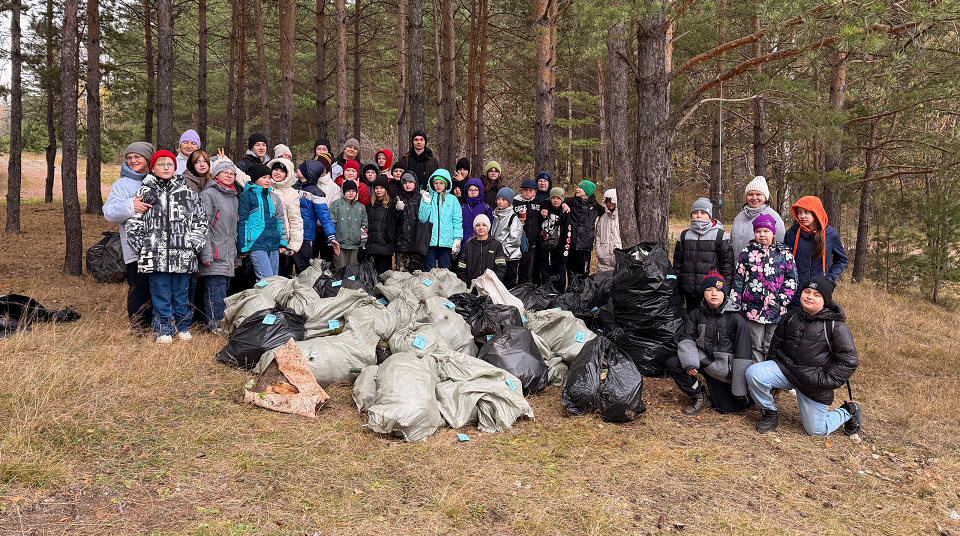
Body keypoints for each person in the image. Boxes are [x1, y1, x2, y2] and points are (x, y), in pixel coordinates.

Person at [745, 277, 862, 437]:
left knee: (816, 431)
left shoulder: (836, 327)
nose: (809, 297)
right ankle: (769, 413)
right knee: (754, 373)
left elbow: (849, 361)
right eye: (807, 292)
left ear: (825, 300)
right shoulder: (790, 317)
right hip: (786, 370)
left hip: (813, 383)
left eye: (816, 295)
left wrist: (823, 381)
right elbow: (776, 347)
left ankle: (849, 411)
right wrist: (773, 380)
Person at [126, 150, 208, 343]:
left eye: (169, 164)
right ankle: (163, 328)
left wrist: (193, 244)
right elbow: (134, 223)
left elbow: (200, 221)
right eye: (161, 164)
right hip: (155, 255)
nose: (165, 167)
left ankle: (182, 326)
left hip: (183, 254)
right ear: (153, 168)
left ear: (175, 168)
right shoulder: (145, 193)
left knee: (181, 292)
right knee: (160, 292)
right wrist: (143, 247)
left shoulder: (188, 193)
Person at [665, 271, 753, 415]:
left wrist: (739, 389)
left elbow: (743, 354)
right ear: (703, 293)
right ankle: (700, 395)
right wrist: (690, 362)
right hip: (703, 360)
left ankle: (750, 396)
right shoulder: (695, 314)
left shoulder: (736, 319)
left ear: (724, 293)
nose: (713, 294)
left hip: (722, 371)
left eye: (718, 290)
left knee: (726, 409)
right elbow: (687, 338)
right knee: (673, 363)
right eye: (708, 290)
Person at [104, 141, 157, 332]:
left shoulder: (160, 179)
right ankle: (139, 326)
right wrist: (130, 206)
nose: (133, 161)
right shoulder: (122, 184)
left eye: (137, 157)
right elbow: (109, 212)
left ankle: (158, 323)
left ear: (148, 159)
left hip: (159, 246)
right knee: (139, 286)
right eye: (129, 158)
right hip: (135, 248)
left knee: (157, 286)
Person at [732, 214, 798, 364]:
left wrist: (782, 300)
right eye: (758, 231)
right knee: (755, 344)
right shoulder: (746, 253)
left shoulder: (784, 253)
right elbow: (738, 279)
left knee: (771, 344)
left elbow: (792, 279)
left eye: (766, 231)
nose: (762, 235)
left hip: (776, 308)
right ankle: (756, 374)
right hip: (752, 308)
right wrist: (736, 302)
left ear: (773, 232)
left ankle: (770, 374)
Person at [784, 196, 849, 310]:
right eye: (799, 212)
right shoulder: (792, 233)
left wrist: (828, 279)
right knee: (793, 320)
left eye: (806, 212)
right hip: (794, 292)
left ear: (816, 212)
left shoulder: (830, 235)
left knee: (815, 321)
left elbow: (842, 260)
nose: (802, 216)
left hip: (818, 292)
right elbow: (783, 260)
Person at [199, 158, 240, 334]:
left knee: (223, 289)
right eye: (225, 172)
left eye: (232, 173)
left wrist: (236, 256)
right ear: (216, 175)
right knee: (215, 291)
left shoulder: (233, 197)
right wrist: (206, 253)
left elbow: (234, 230)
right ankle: (214, 326)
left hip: (228, 252)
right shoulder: (208, 195)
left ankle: (220, 324)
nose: (229, 176)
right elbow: (203, 226)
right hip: (214, 251)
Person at [673, 197, 735, 312]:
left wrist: (724, 289)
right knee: (691, 319)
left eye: (703, 212)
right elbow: (677, 264)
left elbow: (727, 266)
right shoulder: (684, 235)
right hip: (689, 292)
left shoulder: (720, 236)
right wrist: (676, 285)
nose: (698, 216)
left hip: (711, 291)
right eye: (695, 212)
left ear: (709, 216)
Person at [237, 163, 290, 280]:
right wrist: (242, 246)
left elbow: (280, 220)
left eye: (269, 177)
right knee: (266, 278)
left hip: (273, 242)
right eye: (264, 177)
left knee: (274, 279)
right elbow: (242, 222)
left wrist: (282, 241)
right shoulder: (246, 196)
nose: (267, 180)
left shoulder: (274, 197)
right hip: (256, 243)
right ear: (255, 179)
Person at [292, 159, 338, 271]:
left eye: (300, 168)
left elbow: (325, 217)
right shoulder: (292, 188)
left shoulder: (316, 193)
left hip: (306, 236)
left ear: (307, 173)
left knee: (303, 269)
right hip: (290, 234)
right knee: (285, 269)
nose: (297, 169)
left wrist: (331, 236)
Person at [730, 176, 786, 264]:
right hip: (738, 269)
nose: (754, 197)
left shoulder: (774, 218)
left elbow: (779, 247)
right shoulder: (739, 217)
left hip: (761, 269)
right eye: (750, 194)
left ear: (765, 197)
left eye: (758, 194)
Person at [418, 169, 463, 270]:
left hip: (446, 241)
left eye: (441, 183)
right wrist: (426, 203)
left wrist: (457, 239)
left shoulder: (453, 199)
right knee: (429, 270)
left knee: (445, 270)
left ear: (446, 184)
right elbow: (422, 219)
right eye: (436, 183)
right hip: (429, 240)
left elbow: (457, 221)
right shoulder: (427, 198)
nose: (438, 185)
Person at [267, 157, 306, 277]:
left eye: (282, 171)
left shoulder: (291, 194)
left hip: (281, 243)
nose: (278, 173)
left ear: (287, 174)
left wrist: (293, 245)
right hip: (261, 240)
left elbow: (295, 220)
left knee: (279, 276)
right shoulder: (262, 186)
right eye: (275, 170)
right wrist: (223, 161)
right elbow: (243, 178)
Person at [303, 155, 341, 262]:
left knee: (327, 260)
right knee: (308, 260)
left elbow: (334, 210)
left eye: (321, 165)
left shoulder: (334, 188)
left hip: (325, 230)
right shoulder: (307, 183)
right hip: (308, 228)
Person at [564, 180, 603, 278]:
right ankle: (571, 288)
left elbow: (609, 211)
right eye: (577, 187)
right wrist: (563, 204)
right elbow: (554, 200)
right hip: (572, 245)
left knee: (584, 274)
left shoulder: (596, 206)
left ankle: (583, 288)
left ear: (587, 191)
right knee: (571, 274)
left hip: (586, 246)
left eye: (580, 187)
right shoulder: (571, 201)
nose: (577, 189)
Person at [539, 187, 573, 293]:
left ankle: (559, 296)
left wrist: (565, 254)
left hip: (560, 250)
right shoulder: (545, 210)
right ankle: (546, 295)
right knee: (545, 274)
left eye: (558, 198)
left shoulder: (565, 212)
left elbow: (568, 234)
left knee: (559, 275)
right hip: (545, 249)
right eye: (553, 198)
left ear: (562, 200)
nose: (556, 200)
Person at [457, 214, 507, 284]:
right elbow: (461, 268)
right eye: (478, 225)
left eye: (484, 225)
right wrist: (466, 285)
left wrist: (494, 284)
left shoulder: (496, 246)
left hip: (491, 287)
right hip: (471, 287)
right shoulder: (468, 246)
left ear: (488, 227)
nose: (481, 228)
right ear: (474, 227)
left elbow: (501, 268)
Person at [328, 181, 368, 268]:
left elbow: (364, 227)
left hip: (355, 246)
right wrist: (331, 242)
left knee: (352, 272)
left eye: (353, 191)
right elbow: (331, 224)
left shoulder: (361, 207)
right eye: (348, 191)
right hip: (339, 245)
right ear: (343, 192)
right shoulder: (336, 205)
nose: (351, 193)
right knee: (340, 271)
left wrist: (362, 246)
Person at [491, 187, 524, 287]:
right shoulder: (496, 215)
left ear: (509, 202)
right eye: (498, 199)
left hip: (510, 257)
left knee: (509, 283)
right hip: (497, 256)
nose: (500, 202)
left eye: (503, 200)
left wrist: (501, 252)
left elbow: (514, 240)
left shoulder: (513, 218)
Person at [394, 172, 425, 272]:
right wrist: (397, 211)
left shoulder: (421, 199)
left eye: (410, 182)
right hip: (401, 243)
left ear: (415, 183)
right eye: (405, 182)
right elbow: (394, 222)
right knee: (401, 275)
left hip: (417, 243)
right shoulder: (398, 198)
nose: (407, 185)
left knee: (417, 276)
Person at [366, 177, 399, 273]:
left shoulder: (391, 205)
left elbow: (394, 224)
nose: (379, 190)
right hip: (371, 246)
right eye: (376, 188)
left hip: (385, 245)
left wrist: (388, 238)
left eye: (381, 188)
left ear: (386, 189)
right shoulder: (370, 205)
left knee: (384, 276)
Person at [513, 179, 542, 285]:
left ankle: (523, 289)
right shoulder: (514, 202)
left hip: (531, 242)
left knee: (526, 270)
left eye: (530, 190)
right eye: (525, 190)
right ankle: (511, 289)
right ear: (521, 191)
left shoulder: (539, 203)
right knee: (512, 269)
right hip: (515, 241)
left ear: (535, 192)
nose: (527, 192)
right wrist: (517, 220)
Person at [595, 189, 622, 272]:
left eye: (610, 201)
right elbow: (598, 235)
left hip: (620, 257)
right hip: (604, 259)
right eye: (607, 201)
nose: (608, 204)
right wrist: (599, 251)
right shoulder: (603, 217)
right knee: (603, 279)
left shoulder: (623, 217)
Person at [461, 178, 494, 242]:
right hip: (464, 242)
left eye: (476, 190)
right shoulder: (462, 207)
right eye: (470, 190)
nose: (473, 192)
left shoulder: (486, 208)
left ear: (480, 191)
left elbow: (491, 227)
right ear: (466, 191)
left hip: (482, 242)